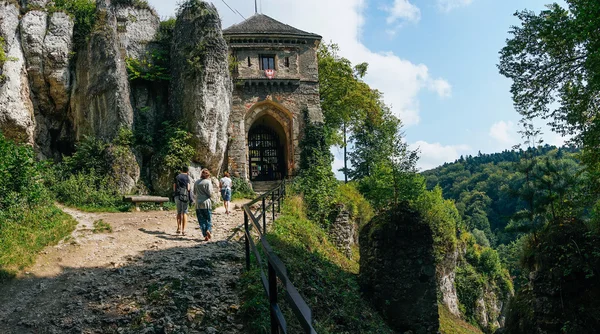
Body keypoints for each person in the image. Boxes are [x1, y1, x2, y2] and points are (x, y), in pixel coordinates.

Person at [195, 168, 213, 241]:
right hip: (206, 202)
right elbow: (210, 193)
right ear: (208, 175)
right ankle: (208, 230)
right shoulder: (208, 182)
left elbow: (194, 192)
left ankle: (205, 235)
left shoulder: (196, 182)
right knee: (208, 218)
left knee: (201, 219)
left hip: (198, 203)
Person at [173, 166, 191, 235]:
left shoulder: (177, 176)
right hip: (184, 196)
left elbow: (174, 186)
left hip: (177, 195)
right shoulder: (187, 177)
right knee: (184, 212)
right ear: (187, 171)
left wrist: (175, 193)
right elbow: (188, 188)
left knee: (179, 212)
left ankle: (178, 228)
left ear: (181, 170)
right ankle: (184, 230)